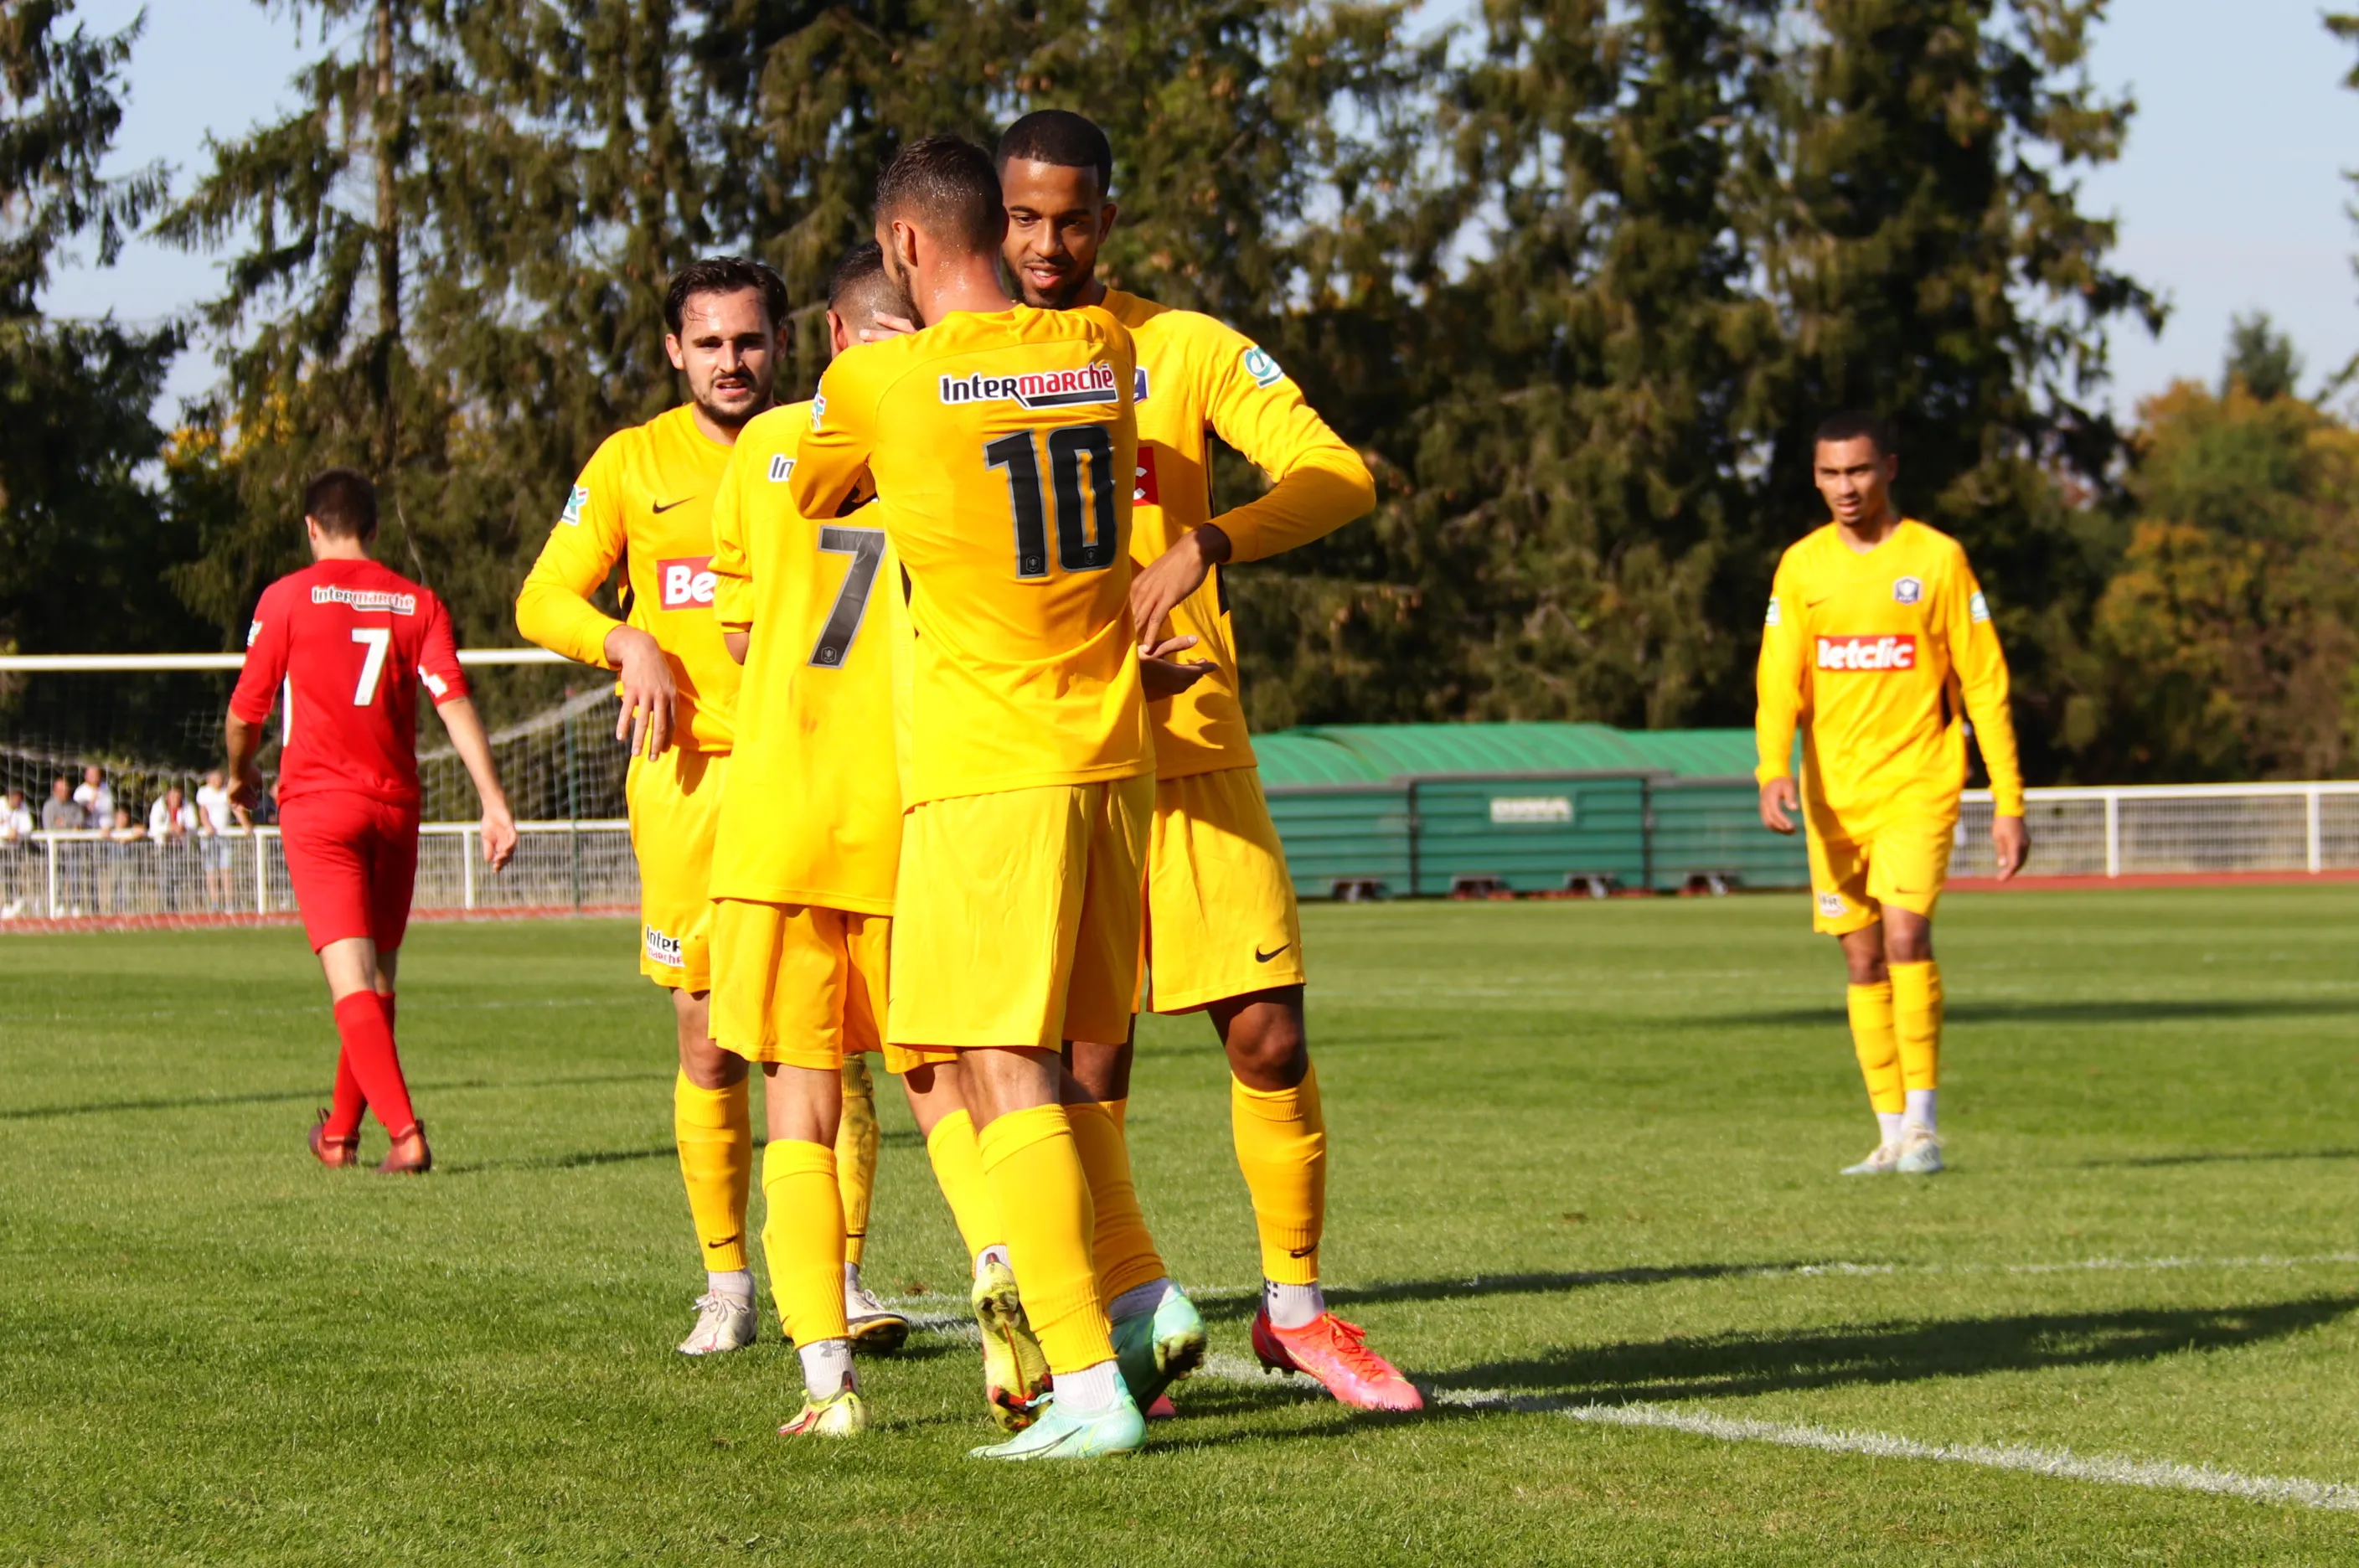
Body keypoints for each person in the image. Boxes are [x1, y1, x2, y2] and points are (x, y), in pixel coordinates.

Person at [789, 134, 1230, 1461]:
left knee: (1003, 1071)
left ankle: (1089, 1381)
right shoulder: (1100, 350)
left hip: (992, 769)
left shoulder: (884, 379)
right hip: (1113, 759)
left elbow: (809, 485)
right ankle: (1145, 1294)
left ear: (908, 249)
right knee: (1076, 1075)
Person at [989, 110, 1418, 1411]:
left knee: (1270, 1037)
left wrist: (1205, 542)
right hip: (1052, 759)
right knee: (1086, 1065)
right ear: (993, 221)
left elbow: (1339, 474)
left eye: (1070, 218)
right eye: (1021, 217)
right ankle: (1113, 1324)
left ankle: (1294, 1313)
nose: (1046, 242)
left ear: (1107, 220)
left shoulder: (1181, 350)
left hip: (1192, 745)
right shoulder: (961, 366)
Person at [705, 241, 1063, 1438]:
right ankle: (1007, 1284)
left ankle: (827, 1387)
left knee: (800, 1109)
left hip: (781, 822)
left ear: (832, 337)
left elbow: (748, 639)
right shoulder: (956, 443)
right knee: (945, 1092)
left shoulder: (763, 450)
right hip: (913, 814)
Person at [517, 256, 788, 1354]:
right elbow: (540, 595)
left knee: (822, 1039)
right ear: (676, 351)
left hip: (809, 774)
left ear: (782, 343)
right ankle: (726, 1280)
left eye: (750, 340)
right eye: (710, 343)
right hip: (683, 785)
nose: (733, 361)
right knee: (710, 1044)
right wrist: (620, 637)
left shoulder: (825, 449)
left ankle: (844, 1272)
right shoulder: (633, 465)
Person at [1755, 411, 2028, 1176]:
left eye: (1860, 471)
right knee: (1862, 960)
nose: (1846, 488)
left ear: (1890, 469)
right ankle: (1888, 1135)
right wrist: (1772, 766)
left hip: (1920, 780)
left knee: (1908, 938)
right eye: (1831, 474)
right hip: (1833, 796)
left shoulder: (1938, 560)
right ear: (1815, 478)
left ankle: (1926, 1127)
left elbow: (1984, 681)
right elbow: (1779, 679)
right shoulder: (1801, 567)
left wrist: (2009, 800)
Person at [227, 467, 519, 1175]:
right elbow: (453, 703)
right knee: (378, 975)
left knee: (352, 980)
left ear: (310, 527)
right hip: (394, 807)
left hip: (321, 806)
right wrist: (493, 802)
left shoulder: (287, 598)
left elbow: (245, 712)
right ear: (375, 529)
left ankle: (405, 1132)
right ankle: (339, 1137)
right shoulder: (416, 602)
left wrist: (240, 775)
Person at [195, 768, 245, 910]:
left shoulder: (227, 792)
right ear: (208, 781)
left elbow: (235, 808)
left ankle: (229, 902)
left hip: (225, 835)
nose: (217, 782)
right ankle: (215, 902)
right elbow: (203, 811)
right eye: (214, 779)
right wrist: (207, 825)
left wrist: (245, 824)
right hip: (209, 836)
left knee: (226, 869)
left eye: (219, 779)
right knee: (211, 870)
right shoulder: (204, 792)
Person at [147, 785, 198, 912]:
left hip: (181, 847)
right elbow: (154, 828)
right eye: (173, 795)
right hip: (164, 847)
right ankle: (167, 907)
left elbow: (193, 824)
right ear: (168, 796)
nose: (176, 798)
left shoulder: (188, 806)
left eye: (178, 795)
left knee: (180, 877)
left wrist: (183, 829)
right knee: (165, 877)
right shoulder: (158, 806)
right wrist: (169, 828)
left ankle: (179, 906)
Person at [42, 776, 86, 915]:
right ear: (55, 790)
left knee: (75, 877)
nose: (65, 792)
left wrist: (64, 823)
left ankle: (76, 906)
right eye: (62, 789)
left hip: (73, 849)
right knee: (57, 878)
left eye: (67, 789)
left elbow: (79, 823)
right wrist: (68, 825)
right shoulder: (49, 806)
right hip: (56, 850)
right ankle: (58, 905)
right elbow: (49, 826)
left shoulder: (74, 805)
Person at [1, 787, 35, 917]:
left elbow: (28, 826)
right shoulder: (1, 805)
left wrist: (17, 832)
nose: (18, 801)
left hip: (13, 849)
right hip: (2, 845)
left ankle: (11, 903)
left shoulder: (23, 807)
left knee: (11, 875)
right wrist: (6, 833)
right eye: (15, 798)